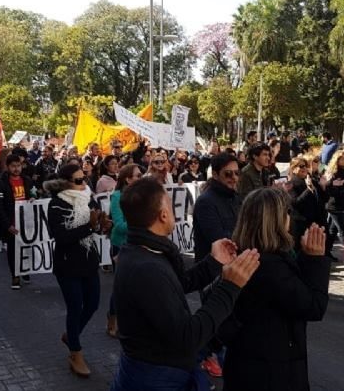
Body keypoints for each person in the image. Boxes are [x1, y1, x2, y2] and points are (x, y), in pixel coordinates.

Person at [110, 178, 260, 390]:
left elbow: (177, 284)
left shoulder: (143, 251)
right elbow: (188, 337)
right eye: (170, 206)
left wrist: (213, 262)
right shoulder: (146, 267)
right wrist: (229, 287)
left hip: (154, 370)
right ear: (163, 215)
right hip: (155, 377)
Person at [222, 188, 330, 391]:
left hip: (248, 363)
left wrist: (305, 257)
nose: (290, 218)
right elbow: (312, 306)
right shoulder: (269, 266)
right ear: (276, 220)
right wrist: (314, 260)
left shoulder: (246, 253)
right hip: (271, 370)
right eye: (287, 213)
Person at [45, 164, 110, 378]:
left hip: (89, 261)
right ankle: (75, 353)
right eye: (78, 180)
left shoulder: (88, 198)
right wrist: (90, 227)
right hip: (68, 265)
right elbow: (62, 237)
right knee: (75, 308)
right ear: (65, 182)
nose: (84, 184)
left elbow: (94, 227)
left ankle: (71, 336)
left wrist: (102, 224)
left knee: (92, 304)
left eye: (85, 178)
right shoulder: (56, 204)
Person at [191, 153, 243, 376]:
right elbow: (219, 239)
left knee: (229, 321)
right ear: (215, 174)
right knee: (217, 322)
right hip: (212, 271)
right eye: (228, 174)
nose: (233, 178)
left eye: (236, 173)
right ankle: (196, 359)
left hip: (234, 268)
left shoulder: (235, 197)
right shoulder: (206, 202)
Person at [107, 164, 143, 338]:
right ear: (128, 179)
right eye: (137, 176)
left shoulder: (142, 195)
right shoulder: (117, 197)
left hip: (138, 244)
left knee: (137, 286)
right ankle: (112, 318)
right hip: (121, 245)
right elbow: (119, 225)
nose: (140, 178)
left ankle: (130, 322)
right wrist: (141, 224)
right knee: (120, 287)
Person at [0, 155, 34, 290]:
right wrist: (7, 225)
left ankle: (25, 270)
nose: (16, 169)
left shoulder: (27, 180)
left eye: (19, 166)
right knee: (13, 252)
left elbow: (34, 194)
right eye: (13, 166)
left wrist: (33, 197)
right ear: (8, 167)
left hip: (26, 223)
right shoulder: (0, 184)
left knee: (27, 248)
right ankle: (15, 275)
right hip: (11, 224)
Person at [287, 156, 329, 256]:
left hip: (314, 221)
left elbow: (324, 199)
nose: (304, 168)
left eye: (306, 166)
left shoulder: (311, 181)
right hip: (300, 223)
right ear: (294, 168)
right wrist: (308, 190)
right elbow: (295, 203)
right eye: (301, 166)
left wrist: (323, 187)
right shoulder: (291, 183)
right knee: (300, 250)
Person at [324, 150, 344, 259]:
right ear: (337, 160)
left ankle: (326, 251)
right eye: (343, 159)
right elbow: (330, 191)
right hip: (334, 205)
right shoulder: (334, 172)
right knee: (343, 230)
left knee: (332, 230)